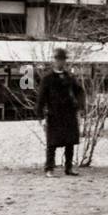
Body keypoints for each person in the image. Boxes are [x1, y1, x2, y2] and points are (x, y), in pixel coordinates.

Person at [35, 48, 84, 177]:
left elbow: (79, 91)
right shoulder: (47, 79)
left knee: (70, 142)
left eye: (62, 59)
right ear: (54, 60)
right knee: (52, 143)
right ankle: (49, 169)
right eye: (57, 59)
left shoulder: (70, 77)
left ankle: (69, 168)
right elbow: (41, 97)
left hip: (69, 114)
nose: (60, 62)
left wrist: (79, 106)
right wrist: (40, 115)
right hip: (54, 114)